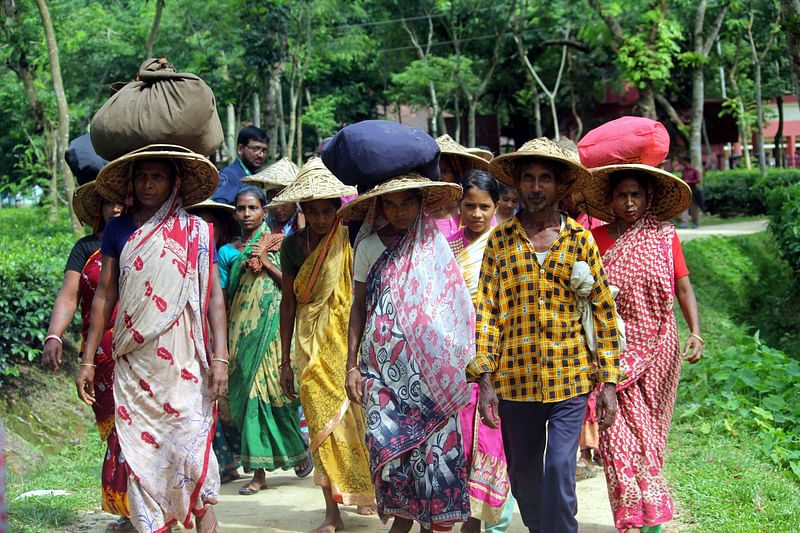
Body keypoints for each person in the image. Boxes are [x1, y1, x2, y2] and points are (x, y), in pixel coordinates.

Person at [470, 138, 622, 533]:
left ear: (559, 186)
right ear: (518, 186)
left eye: (545, 179)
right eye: (529, 179)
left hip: (569, 378)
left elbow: (603, 309)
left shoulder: (579, 240)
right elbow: (486, 310)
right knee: (523, 478)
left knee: (558, 468)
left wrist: (607, 380)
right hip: (514, 382)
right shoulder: (501, 242)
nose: (536, 187)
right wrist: (485, 377)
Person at [78, 144, 229, 533]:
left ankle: (204, 521)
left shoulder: (198, 231)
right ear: (131, 182)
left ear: (173, 181)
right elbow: (104, 295)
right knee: (142, 453)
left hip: (185, 361)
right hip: (134, 361)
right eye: (141, 176)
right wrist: (88, 359)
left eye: (157, 176)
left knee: (190, 449)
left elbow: (213, 297)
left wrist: (221, 359)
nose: (148, 184)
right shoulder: (118, 229)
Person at [579, 149, 702, 533]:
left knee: (650, 440)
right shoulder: (594, 239)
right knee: (615, 440)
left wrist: (695, 331)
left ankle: (652, 524)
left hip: (660, 352)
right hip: (612, 355)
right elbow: (583, 296)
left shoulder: (664, 236)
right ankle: (631, 519)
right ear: (610, 201)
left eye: (636, 195)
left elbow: (682, 286)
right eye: (622, 195)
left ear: (648, 197)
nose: (629, 203)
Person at [341, 175, 472, 533]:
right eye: (390, 204)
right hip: (381, 373)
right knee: (390, 453)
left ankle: (433, 523)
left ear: (421, 204)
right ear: (379, 207)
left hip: (431, 377)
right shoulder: (367, 246)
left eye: (407, 202)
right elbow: (359, 307)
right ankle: (402, 518)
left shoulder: (434, 244)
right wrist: (351, 365)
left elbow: (453, 305)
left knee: (434, 457)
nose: (399, 212)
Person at [273, 158, 374, 533]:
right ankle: (332, 512)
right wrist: (284, 360)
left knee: (356, 418)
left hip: (348, 341)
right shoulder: (292, 247)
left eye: (326, 211)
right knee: (320, 424)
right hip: (309, 345)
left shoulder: (353, 238)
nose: (319, 219)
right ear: (302, 211)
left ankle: (362, 490)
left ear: (338, 209)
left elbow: (359, 295)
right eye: (311, 212)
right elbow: (289, 302)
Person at [42, 179, 129, 524]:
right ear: (99, 209)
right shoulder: (86, 247)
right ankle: (127, 505)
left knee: (145, 422)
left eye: (123, 201)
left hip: (148, 346)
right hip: (102, 350)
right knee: (117, 428)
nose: (117, 208)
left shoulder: (144, 240)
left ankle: (153, 504)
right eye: (109, 203)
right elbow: (69, 294)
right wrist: (54, 335)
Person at [217, 185, 309, 495]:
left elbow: (292, 287)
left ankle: (266, 469)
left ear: (264, 212)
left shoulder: (280, 244)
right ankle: (272, 463)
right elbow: (224, 296)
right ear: (235, 213)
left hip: (272, 332)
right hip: (241, 332)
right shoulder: (228, 252)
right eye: (241, 209)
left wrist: (265, 260)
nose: (246, 214)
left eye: (252, 208)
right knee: (246, 397)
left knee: (271, 395)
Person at [447, 171, 514, 533]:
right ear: (459, 206)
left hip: (499, 354)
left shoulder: (505, 244)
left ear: (497, 206)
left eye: (484, 206)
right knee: (463, 439)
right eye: (469, 205)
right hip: (456, 357)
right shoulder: (447, 246)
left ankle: (489, 522)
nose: (476, 213)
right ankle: (467, 517)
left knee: (493, 435)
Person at [433, 134, 490, 239]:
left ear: (456, 174)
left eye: (445, 171)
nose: (440, 177)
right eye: (436, 172)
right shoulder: (424, 213)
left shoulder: (475, 206)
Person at [212, 126, 269, 205]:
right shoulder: (228, 176)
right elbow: (219, 208)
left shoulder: (257, 177)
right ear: (240, 149)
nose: (261, 155)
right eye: (256, 149)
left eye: (264, 150)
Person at [678, 157, 702, 228]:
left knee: (693, 207)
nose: (682, 164)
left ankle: (695, 222)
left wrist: (689, 182)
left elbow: (699, 180)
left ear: (687, 161)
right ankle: (684, 223)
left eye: (683, 162)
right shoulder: (683, 171)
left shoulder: (694, 170)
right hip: (685, 191)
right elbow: (682, 178)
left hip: (693, 191)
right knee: (684, 207)